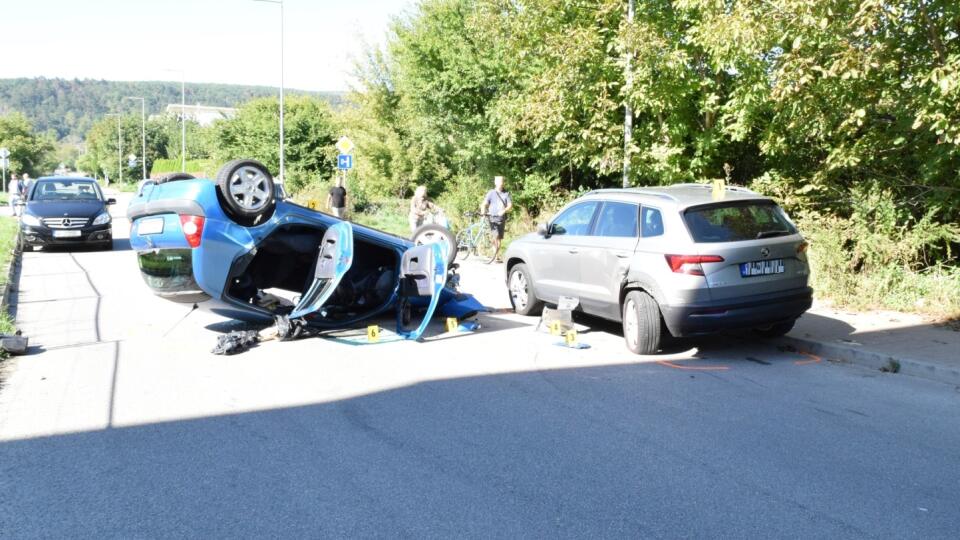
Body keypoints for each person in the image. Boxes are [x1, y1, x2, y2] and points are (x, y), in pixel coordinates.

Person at [480, 175, 513, 263]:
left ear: (503, 182)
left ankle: (497, 255)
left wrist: (504, 210)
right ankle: (495, 256)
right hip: (492, 218)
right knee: (495, 236)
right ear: (495, 183)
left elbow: (510, 205)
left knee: (499, 238)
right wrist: (483, 213)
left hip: (501, 219)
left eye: (501, 181)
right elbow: (484, 204)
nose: (500, 183)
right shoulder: (491, 192)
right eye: (498, 182)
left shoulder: (506, 193)